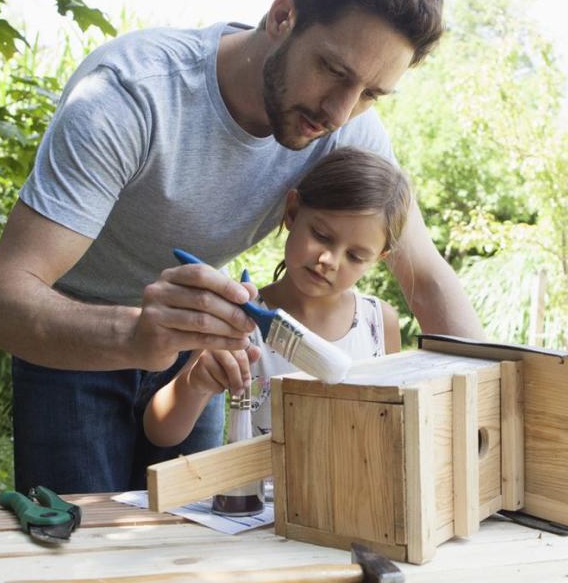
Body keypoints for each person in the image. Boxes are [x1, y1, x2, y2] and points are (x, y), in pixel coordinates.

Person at [0, 0, 485, 495]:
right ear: (283, 15)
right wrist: (139, 333)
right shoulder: (133, 95)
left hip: (198, 350)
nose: (340, 112)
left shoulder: (346, 132)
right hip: (70, 339)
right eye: (334, 71)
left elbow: (427, 280)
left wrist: (497, 422)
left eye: (369, 94)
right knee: (81, 556)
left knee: (195, 540)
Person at [143, 147, 410, 447]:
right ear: (293, 212)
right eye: (322, 235)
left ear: (378, 258)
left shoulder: (380, 323)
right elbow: (161, 431)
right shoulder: (239, 321)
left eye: (355, 256)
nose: (330, 260)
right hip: (262, 494)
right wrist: (196, 383)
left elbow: (393, 428)